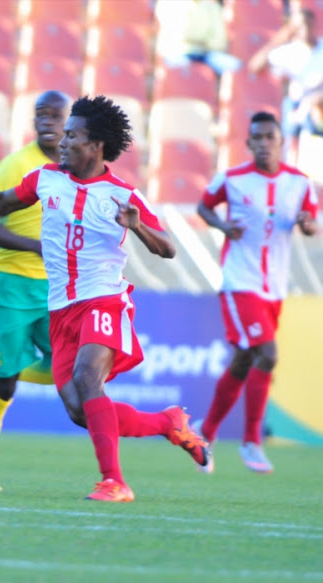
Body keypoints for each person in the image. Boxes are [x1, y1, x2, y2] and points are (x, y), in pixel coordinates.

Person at [0, 95, 210, 502]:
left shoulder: (122, 194)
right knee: (78, 409)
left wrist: (137, 227)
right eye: (65, 133)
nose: (64, 141)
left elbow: (168, 249)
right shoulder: (45, 178)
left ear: (97, 145)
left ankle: (114, 482)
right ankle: (168, 424)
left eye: (73, 135)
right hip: (61, 310)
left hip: (103, 301)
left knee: (89, 380)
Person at [194, 111, 318, 475]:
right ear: (248, 143)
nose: (264, 144)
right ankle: (252, 441)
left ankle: (205, 432)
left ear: (282, 143)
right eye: (257, 138)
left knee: (244, 360)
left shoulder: (300, 183)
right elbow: (204, 205)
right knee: (267, 353)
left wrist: (308, 225)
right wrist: (221, 225)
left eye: (270, 137)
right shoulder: (232, 179)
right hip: (239, 283)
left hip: (274, 287)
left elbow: (310, 222)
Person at [0, 90, 68, 491]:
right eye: (41, 114)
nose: (48, 122)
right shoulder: (16, 165)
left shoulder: (79, 171)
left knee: (71, 368)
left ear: (70, 123)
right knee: (5, 385)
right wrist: (37, 246)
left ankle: (4, 364)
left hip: (57, 291)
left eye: (56, 115)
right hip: (9, 286)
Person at [248, 8, 323, 162]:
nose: (305, 30)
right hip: (298, 104)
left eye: (307, 25)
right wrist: (282, 36)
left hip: (320, 104)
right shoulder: (291, 51)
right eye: (300, 26)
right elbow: (256, 65)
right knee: (288, 134)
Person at [157, 0, 241, 76]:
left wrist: (194, 41)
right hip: (178, 53)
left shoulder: (213, 7)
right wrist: (203, 39)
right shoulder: (168, 3)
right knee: (179, 71)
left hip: (207, 54)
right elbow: (179, 33)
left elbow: (219, 41)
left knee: (235, 67)